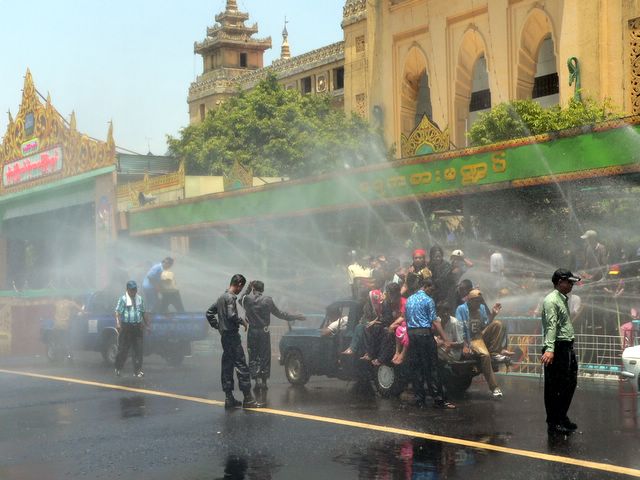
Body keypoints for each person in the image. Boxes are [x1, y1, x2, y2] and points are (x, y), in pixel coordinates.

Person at [240, 280, 304, 395]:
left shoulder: (248, 300)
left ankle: (256, 380)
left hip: (252, 332)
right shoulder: (267, 300)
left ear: (254, 289)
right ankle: (264, 381)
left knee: (253, 356)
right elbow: (280, 314)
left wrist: (248, 289)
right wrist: (295, 316)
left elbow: (241, 299)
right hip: (264, 331)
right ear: (263, 290)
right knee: (265, 355)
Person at [206, 274, 261, 409]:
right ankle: (248, 398)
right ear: (239, 284)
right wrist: (242, 322)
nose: (240, 291)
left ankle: (229, 398)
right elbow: (231, 315)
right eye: (241, 288)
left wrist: (217, 326)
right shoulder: (230, 298)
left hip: (225, 337)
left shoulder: (221, 298)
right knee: (241, 365)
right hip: (232, 336)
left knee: (227, 365)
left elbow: (209, 312)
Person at [540, 269, 581, 435]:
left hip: (566, 347)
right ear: (559, 282)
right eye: (569, 282)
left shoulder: (563, 299)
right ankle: (553, 421)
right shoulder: (551, 300)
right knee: (554, 387)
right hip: (557, 347)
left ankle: (562, 416)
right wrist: (550, 349)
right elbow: (551, 326)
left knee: (569, 383)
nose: (571, 285)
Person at [405, 277, 455, 409]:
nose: (432, 293)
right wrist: (445, 339)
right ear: (426, 286)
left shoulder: (409, 300)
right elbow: (435, 321)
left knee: (417, 368)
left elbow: (407, 319)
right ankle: (439, 399)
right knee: (432, 368)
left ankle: (419, 400)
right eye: (431, 290)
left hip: (412, 335)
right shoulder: (428, 300)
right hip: (424, 335)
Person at [455, 289, 511, 398]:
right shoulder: (461, 309)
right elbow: (459, 328)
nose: (479, 303)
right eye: (476, 301)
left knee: (498, 324)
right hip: (472, 340)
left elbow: (486, 324)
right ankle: (494, 387)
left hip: (480, 336)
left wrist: (493, 314)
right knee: (485, 355)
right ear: (470, 300)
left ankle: (495, 352)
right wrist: (464, 345)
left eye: (480, 301)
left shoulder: (481, 308)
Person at [114, 280, 150, 378]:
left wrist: (147, 325)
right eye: (131, 290)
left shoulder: (140, 299)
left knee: (138, 350)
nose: (133, 291)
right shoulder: (123, 299)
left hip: (137, 327)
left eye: (135, 289)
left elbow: (143, 312)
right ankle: (118, 368)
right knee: (123, 350)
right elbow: (117, 311)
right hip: (126, 327)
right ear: (127, 290)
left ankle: (137, 371)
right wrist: (118, 323)